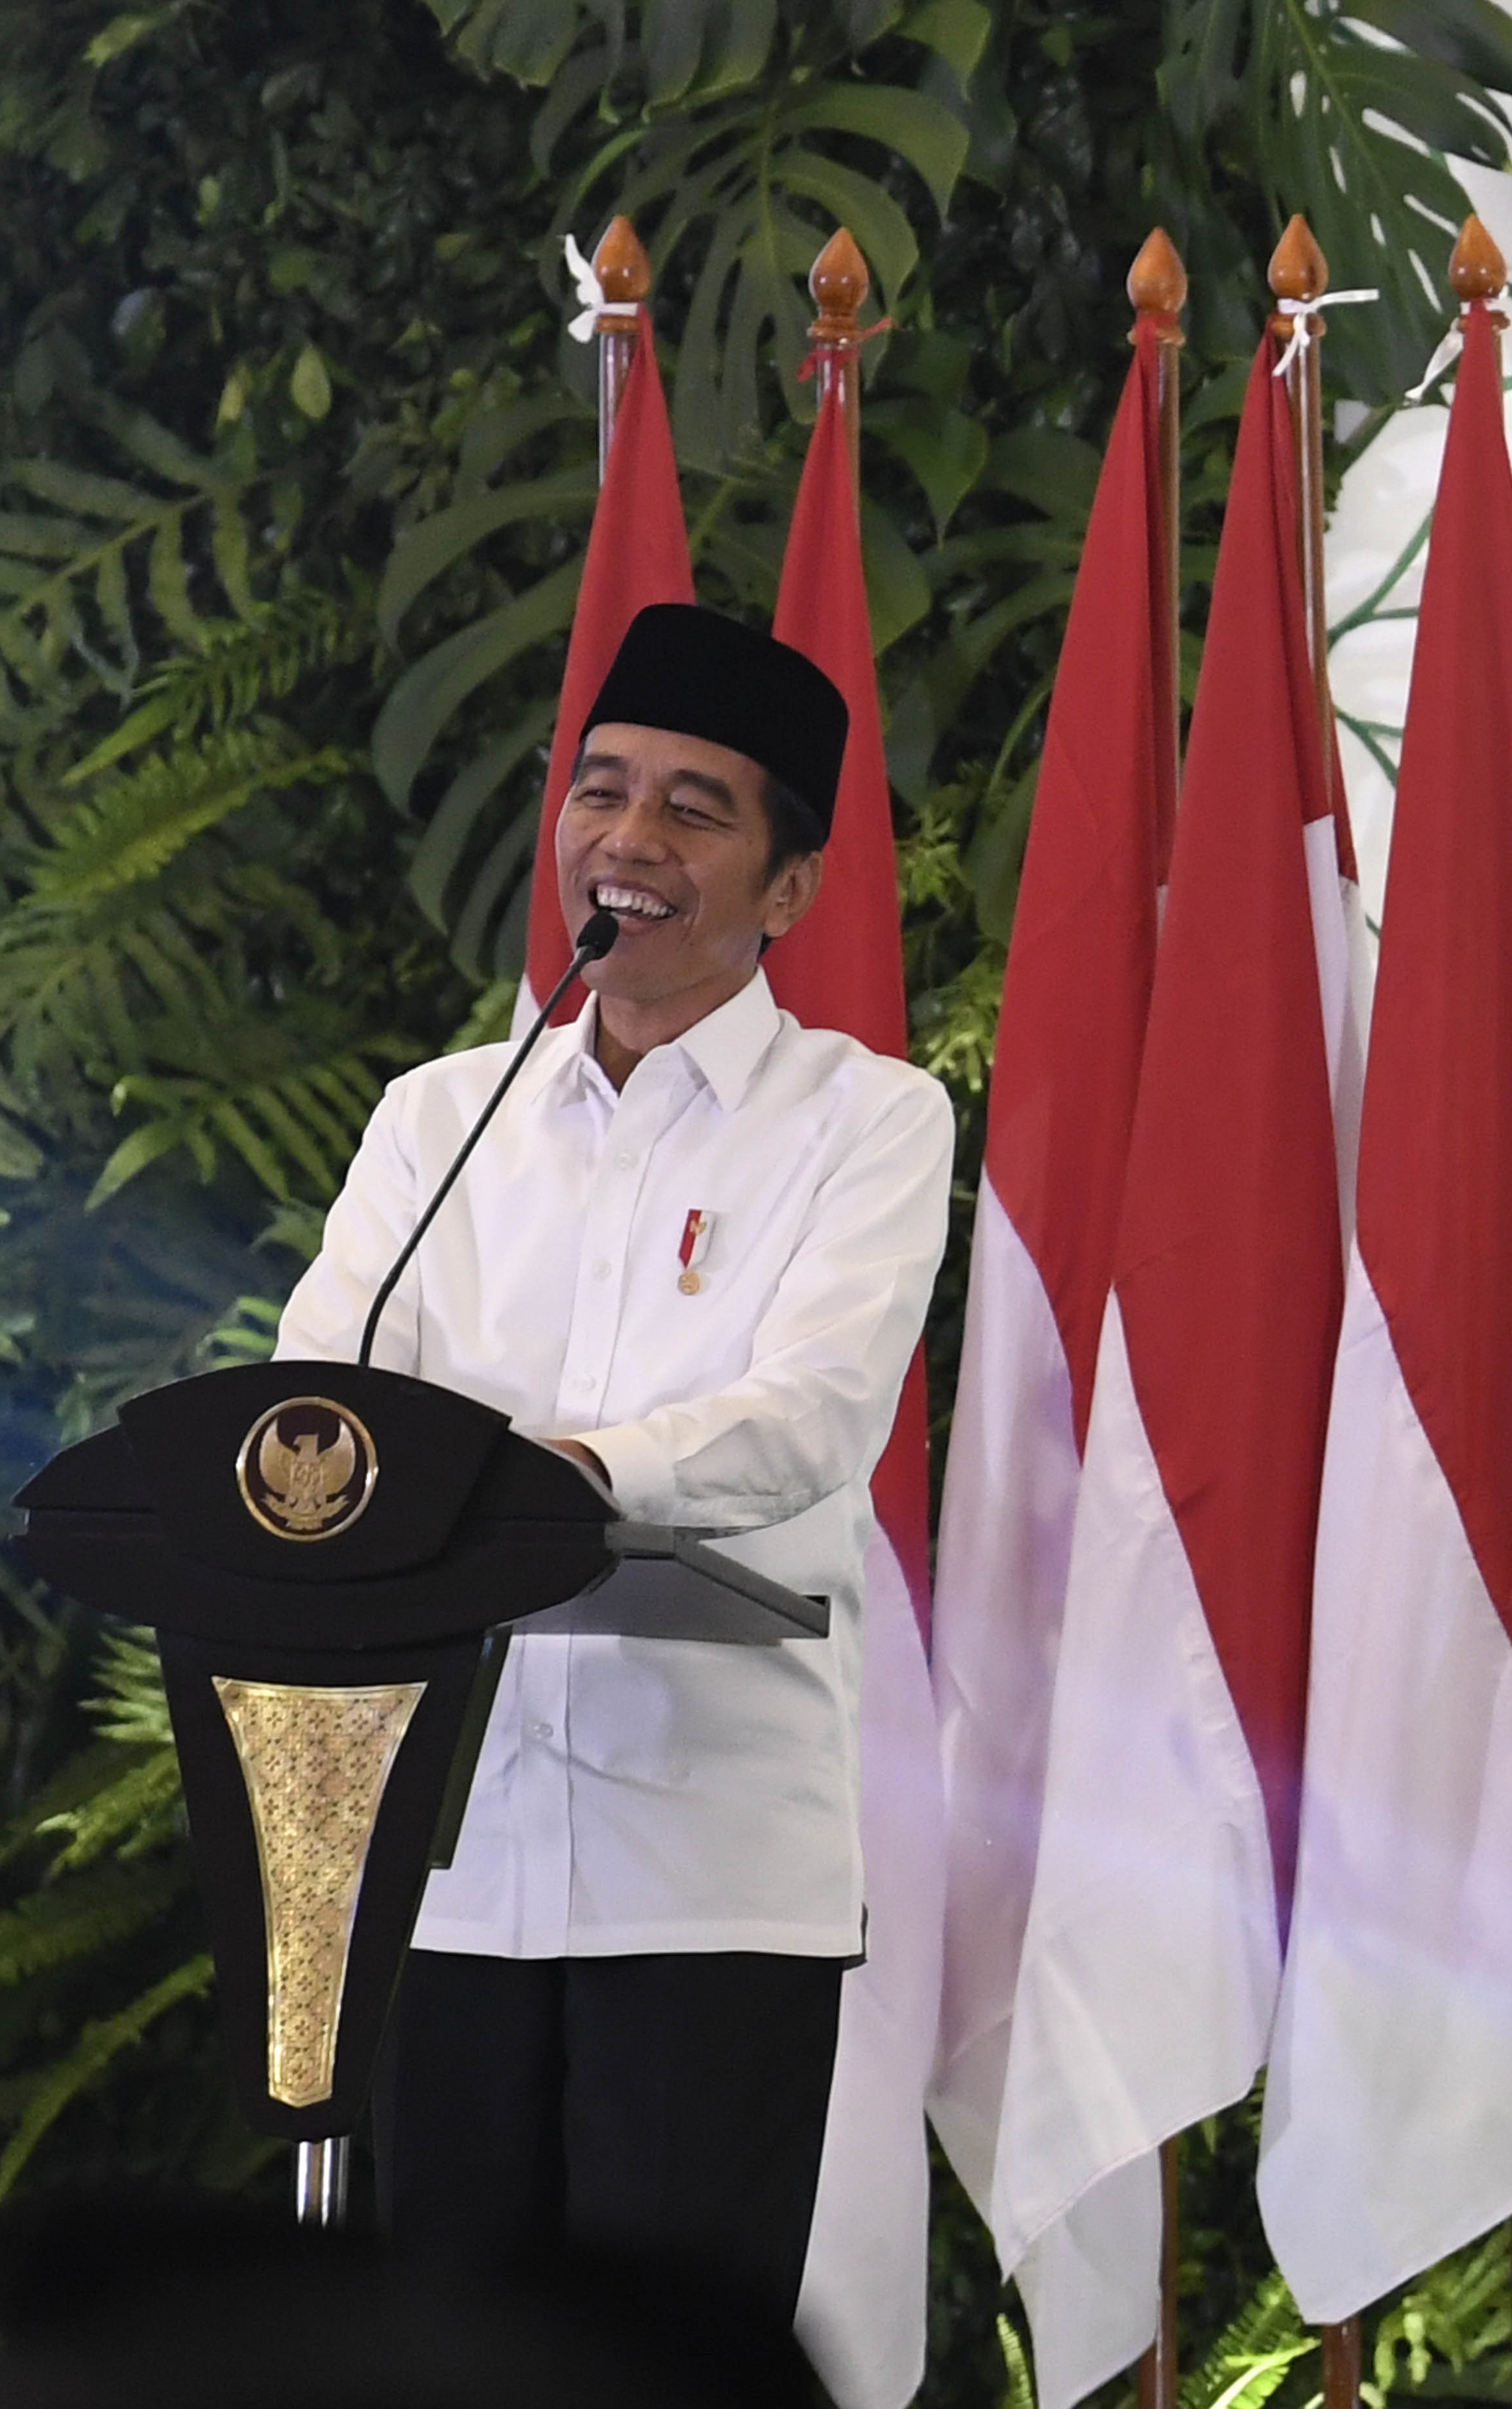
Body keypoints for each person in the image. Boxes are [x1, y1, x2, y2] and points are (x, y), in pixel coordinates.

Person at [274, 602, 955, 2333]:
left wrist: (555, 1478)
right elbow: (319, 1399)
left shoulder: (865, 1120)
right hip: (440, 1862)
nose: (628, 841)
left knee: (666, 2373)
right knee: (441, 2365)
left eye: (693, 810)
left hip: (713, 1877)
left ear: (786, 889)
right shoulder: (444, 1120)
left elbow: (811, 1415)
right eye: (602, 793)